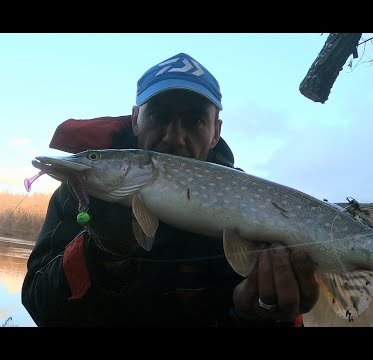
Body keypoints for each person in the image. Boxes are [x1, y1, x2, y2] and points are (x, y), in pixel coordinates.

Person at [21, 52, 320, 327]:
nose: (175, 137)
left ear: (216, 132)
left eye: (195, 120)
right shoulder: (83, 193)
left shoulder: (245, 204)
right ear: (136, 119)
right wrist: (100, 252)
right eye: (159, 116)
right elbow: (40, 307)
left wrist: (255, 314)